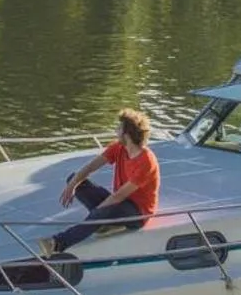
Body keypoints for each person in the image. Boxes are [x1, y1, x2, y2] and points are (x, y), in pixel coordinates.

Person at [45, 109, 160, 255]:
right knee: (76, 179)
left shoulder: (146, 162)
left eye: (119, 128)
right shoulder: (119, 147)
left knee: (104, 210)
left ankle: (58, 243)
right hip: (120, 202)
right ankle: (105, 222)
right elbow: (91, 166)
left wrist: (98, 213)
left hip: (138, 213)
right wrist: (73, 184)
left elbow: (117, 197)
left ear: (127, 134)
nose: (115, 131)